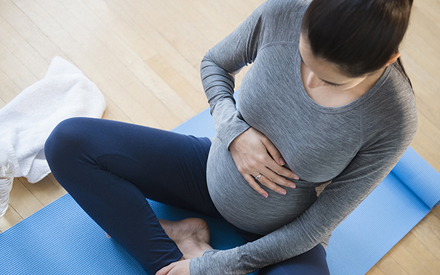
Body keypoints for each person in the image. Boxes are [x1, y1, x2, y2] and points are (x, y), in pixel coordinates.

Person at [44, 0, 417, 274]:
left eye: (333, 80)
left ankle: (182, 257)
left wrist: (213, 267)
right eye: (304, 58)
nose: (311, 81)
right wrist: (233, 131)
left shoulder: (393, 119)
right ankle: (172, 256)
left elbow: (319, 224)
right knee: (68, 142)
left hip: (285, 230)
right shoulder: (286, 11)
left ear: (387, 59)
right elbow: (215, 63)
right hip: (209, 172)